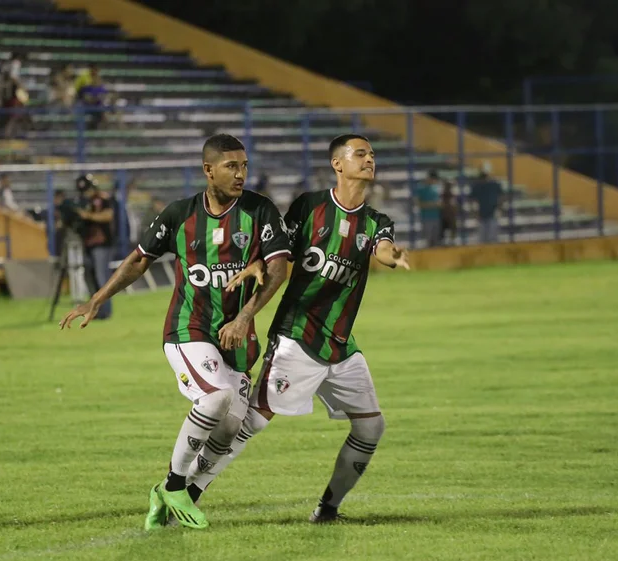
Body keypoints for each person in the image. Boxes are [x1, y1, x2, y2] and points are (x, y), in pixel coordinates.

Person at [60, 134, 291, 531]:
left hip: (238, 336)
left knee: (233, 426)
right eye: (231, 166)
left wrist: (244, 316)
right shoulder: (179, 215)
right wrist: (97, 299)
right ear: (208, 170)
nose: (240, 174)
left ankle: (174, 496)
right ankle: (173, 485)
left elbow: (279, 268)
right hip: (189, 329)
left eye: (244, 166)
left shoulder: (260, 210)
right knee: (215, 399)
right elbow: (139, 260)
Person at [182, 134, 411, 524]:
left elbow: (382, 246)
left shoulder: (375, 221)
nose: (370, 159)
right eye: (361, 154)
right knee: (251, 423)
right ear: (338, 164)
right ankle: (185, 492)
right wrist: (256, 263)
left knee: (371, 427)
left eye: (372, 154)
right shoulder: (311, 206)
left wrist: (392, 255)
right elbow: (279, 247)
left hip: (340, 345)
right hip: (297, 338)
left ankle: (327, 509)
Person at [74, 176, 114, 320]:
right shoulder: (83, 202)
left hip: (102, 244)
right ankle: (95, 311)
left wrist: (88, 216)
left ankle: (105, 312)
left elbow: (108, 216)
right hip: (88, 244)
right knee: (90, 278)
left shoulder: (102, 199)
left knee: (102, 278)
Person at [471, 170, 503, 244]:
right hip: (482, 214)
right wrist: (475, 212)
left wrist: (500, 208)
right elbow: (472, 200)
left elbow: (501, 197)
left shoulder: (493, 185)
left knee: (492, 237)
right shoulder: (477, 186)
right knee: (483, 238)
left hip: (492, 213)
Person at [415, 169, 442, 248]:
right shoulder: (421, 188)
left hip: (436, 217)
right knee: (428, 241)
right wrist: (433, 204)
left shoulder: (436, 187)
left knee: (436, 240)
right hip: (427, 218)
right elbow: (418, 203)